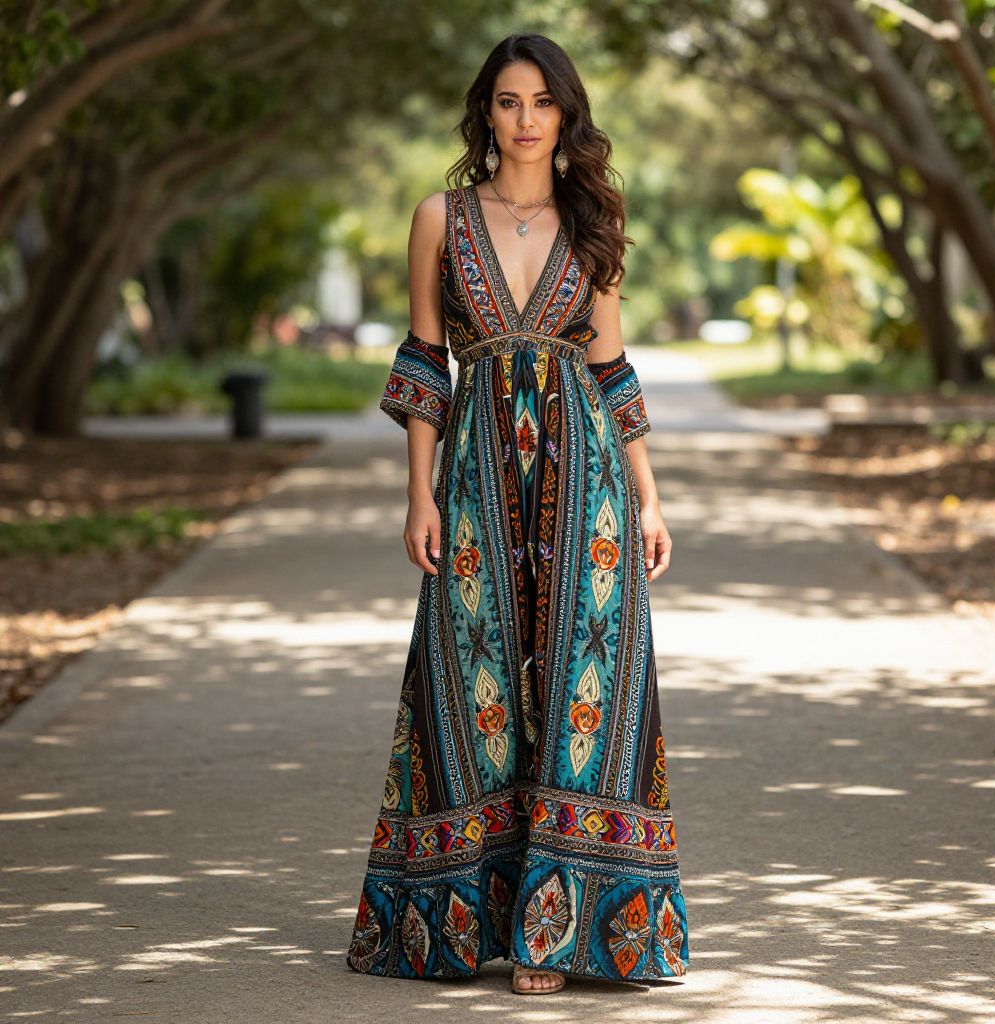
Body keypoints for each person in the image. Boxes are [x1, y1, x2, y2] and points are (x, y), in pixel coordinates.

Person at [345, 32, 690, 995]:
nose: (527, 119)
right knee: (475, 683)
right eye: (508, 101)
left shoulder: (594, 219)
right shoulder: (440, 216)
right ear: (485, 112)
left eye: (543, 102)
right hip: (475, 483)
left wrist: (650, 491)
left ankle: (560, 934)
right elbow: (423, 361)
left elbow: (612, 367)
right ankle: (455, 921)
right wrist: (418, 490)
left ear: (566, 113)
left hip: (587, 486)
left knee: (587, 687)